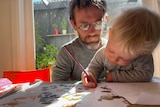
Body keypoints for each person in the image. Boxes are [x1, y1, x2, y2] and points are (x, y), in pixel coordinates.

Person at [82, 6, 160, 88]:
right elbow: (93, 67)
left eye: (122, 58)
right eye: (111, 51)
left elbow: (145, 75)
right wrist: (89, 74)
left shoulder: (142, 58)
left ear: (139, 55)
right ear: (109, 34)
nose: (113, 59)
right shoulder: (102, 54)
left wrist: (115, 76)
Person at [52, 0, 107, 81]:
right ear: (73, 24)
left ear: (105, 20)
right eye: (85, 26)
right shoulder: (67, 53)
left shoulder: (114, 49)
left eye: (98, 24)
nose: (92, 32)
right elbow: (57, 85)